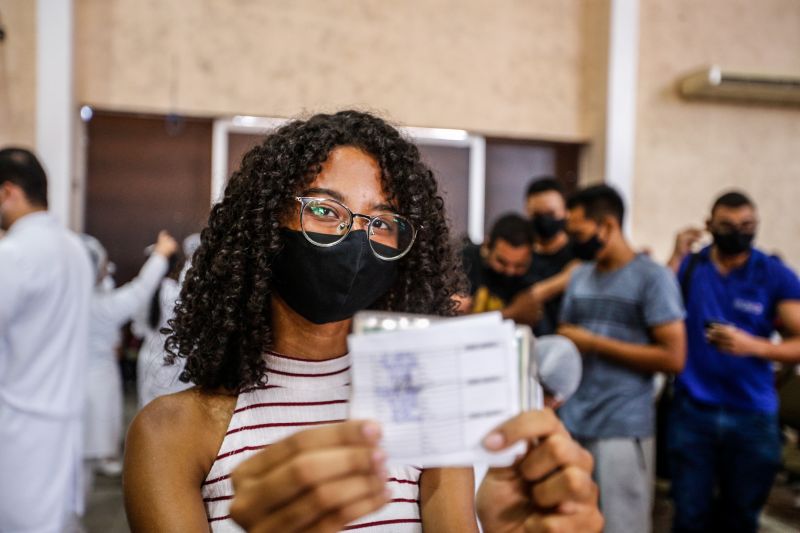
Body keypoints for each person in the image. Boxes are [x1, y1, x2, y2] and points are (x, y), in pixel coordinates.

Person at [123, 111, 601, 532]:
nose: (355, 239)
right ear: (265, 224)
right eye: (325, 211)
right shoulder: (172, 432)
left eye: (382, 221)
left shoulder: (421, 406)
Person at [666, 191, 800, 533]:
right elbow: (659, 306)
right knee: (689, 513)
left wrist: (753, 346)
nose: (738, 232)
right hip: (694, 408)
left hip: (751, 413)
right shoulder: (693, 267)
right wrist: (676, 255)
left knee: (740, 517)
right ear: (710, 225)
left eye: (747, 225)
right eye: (727, 226)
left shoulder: (773, 274)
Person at [557, 184, 686, 533]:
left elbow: (674, 357)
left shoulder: (652, 278)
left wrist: (594, 342)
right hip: (574, 422)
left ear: (608, 226)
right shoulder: (580, 275)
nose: (574, 241)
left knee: (621, 526)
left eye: (579, 233)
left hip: (622, 428)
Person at [0, 148, 93, 531]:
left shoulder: (14, 253)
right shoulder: (76, 250)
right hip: (66, 420)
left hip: (20, 425)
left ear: (7, 192)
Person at [81, 231, 178, 481]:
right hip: (94, 384)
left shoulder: (79, 301)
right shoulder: (94, 306)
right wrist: (160, 255)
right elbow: (138, 292)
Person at [133, 233, 200, 408]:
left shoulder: (144, 294)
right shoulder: (176, 294)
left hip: (148, 361)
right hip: (175, 364)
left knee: (148, 417)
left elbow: (138, 330)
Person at [524, 177, 578, 336]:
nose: (544, 220)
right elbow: (519, 303)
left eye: (550, 213)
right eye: (537, 214)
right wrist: (563, 280)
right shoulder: (520, 256)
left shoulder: (579, 252)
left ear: (565, 211)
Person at [460, 213, 535, 314]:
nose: (510, 271)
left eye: (519, 265)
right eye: (502, 262)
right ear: (487, 247)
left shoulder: (533, 273)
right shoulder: (463, 260)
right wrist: (512, 312)